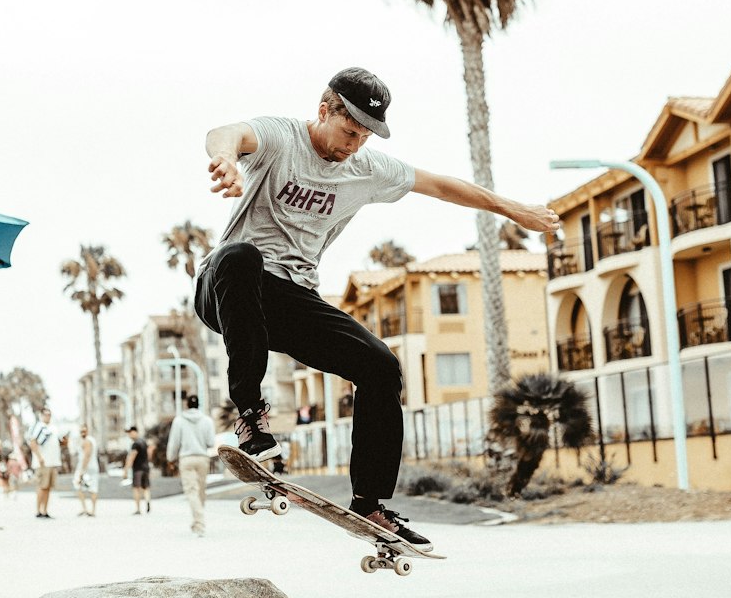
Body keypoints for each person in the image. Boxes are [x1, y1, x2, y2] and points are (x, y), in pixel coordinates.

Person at [196, 66, 560, 552]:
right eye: (349, 131)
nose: (354, 145)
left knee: (381, 367)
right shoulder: (281, 138)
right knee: (242, 255)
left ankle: (370, 503)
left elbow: (443, 186)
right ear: (324, 110)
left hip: (292, 298)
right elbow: (227, 133)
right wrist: (225, 159)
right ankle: (251, 417)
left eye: (364, 136)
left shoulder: (366, 169)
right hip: (226, 287)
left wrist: (516, 210)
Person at [166, 394, 216, 536]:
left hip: (186, 459)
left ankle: (199, 523)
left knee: (192, 491)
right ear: (198, 405)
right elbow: (211, 442)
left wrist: (170, 458)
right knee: (200, 491)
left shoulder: (179, 421)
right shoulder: (207, 421)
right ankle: (197, 520)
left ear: (186, 405)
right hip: (202, 458)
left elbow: (174, 442)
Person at [28, 406, 62, 519]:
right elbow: (32, 442)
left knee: (48, 487)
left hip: (52, 462)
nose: (48, 417)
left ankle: (45, 510)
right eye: (45, 414)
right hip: (43, 463)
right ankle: (38, 510)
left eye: (49, 414)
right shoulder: (39, 427)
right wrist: (39, 457)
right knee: (42, 486)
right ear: (41, 415)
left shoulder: (53, 428)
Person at [123, 426, 151, 515]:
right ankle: (147, 500)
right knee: (146, 487)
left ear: (135, 432)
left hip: (138, 469)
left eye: (130, 433)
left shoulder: (135, 444)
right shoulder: (144, 442)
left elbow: (131, 457)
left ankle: (138, 509)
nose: (129, 435)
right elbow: (149, 454)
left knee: (136, 488)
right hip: (146, 467)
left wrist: (126, 470)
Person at [73, 424, 100, 517]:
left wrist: (82, 470)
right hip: (93, 467)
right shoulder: (91, 440)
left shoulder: (87, 441)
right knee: (91, 487)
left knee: (80, 485)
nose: (82, 433)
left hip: (87, 468)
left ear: (87, 431)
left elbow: (86, 456)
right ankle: (89, 509)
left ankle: (88, 509)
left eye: (84, 431)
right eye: (81, 431)